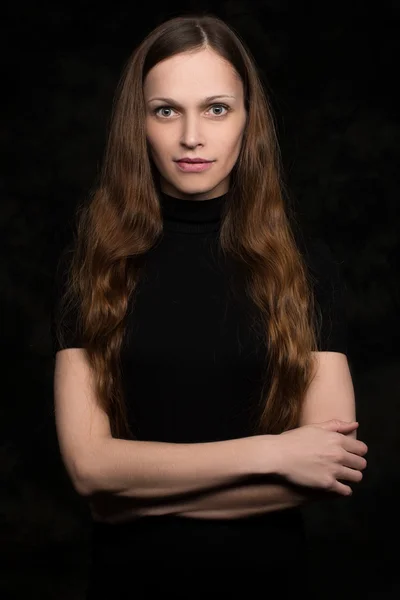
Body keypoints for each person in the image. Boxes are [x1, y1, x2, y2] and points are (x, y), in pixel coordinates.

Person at [51, 12, 368, 599]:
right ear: (138, 123)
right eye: (166, 110)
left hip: (268, 581)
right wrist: (274, 452)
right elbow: (89, 469)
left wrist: (129, 504)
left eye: (217, 109)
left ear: (249, 120)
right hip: (130, 584)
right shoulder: (95, 262)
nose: (191, 136)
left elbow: (329, 467)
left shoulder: (304, 262)